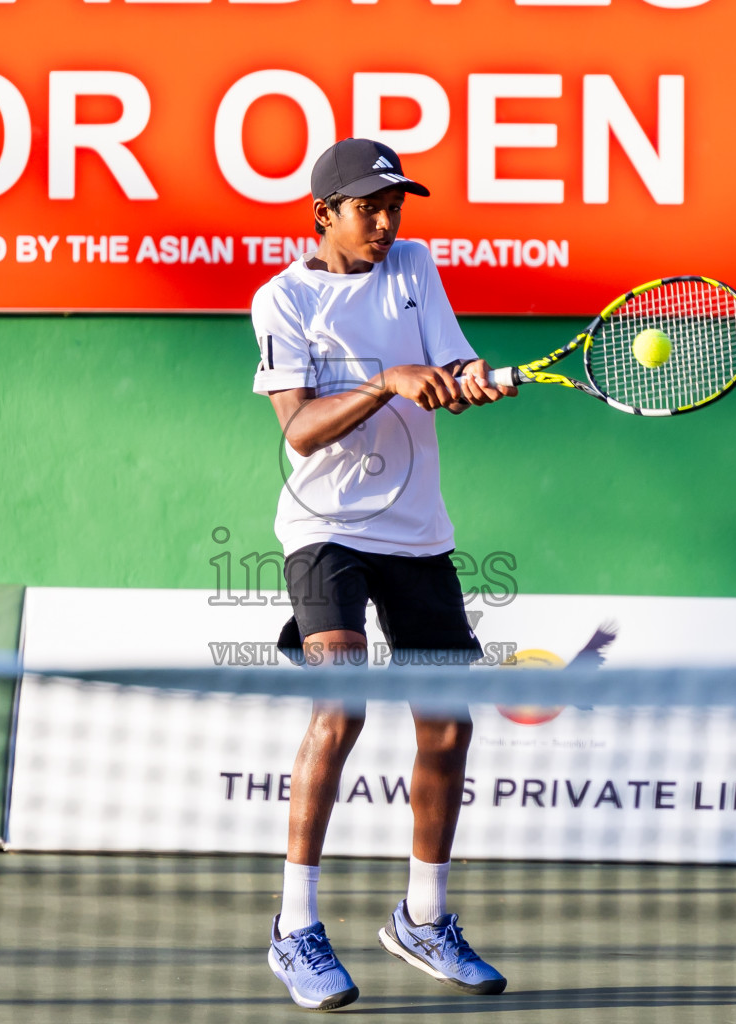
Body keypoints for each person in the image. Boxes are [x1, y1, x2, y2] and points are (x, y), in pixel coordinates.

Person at [251, 137, 516, 1011]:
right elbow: (299, 430)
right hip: (325, 530)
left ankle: (424, 917)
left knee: (447, 725)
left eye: (395, 205)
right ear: (322, 213)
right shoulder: (282, 300)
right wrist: (388, 382)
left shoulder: (414, 266)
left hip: (416, 534)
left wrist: (471, 382)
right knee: (343, 702)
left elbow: (452, 361)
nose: (387, 221)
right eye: (370, 207)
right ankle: (296, 929)